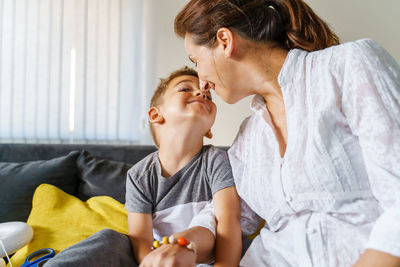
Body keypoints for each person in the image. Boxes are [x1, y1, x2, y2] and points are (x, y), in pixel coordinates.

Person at [170, 0, 400, 266]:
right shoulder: (248, 138)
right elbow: (227, 217)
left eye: (195, 60)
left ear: (224, 41)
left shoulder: (347, 67)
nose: (201, 82)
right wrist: (184, 245)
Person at [44, 67, 242, 267]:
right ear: (156, 115)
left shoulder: (217, 160)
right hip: (155, 260)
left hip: (205, 258)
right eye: (185, 89)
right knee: (109, 239)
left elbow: (229, 219)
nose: (201, 93)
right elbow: (141, 242)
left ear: (209, 130)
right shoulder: (139, 175)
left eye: (208, 96)